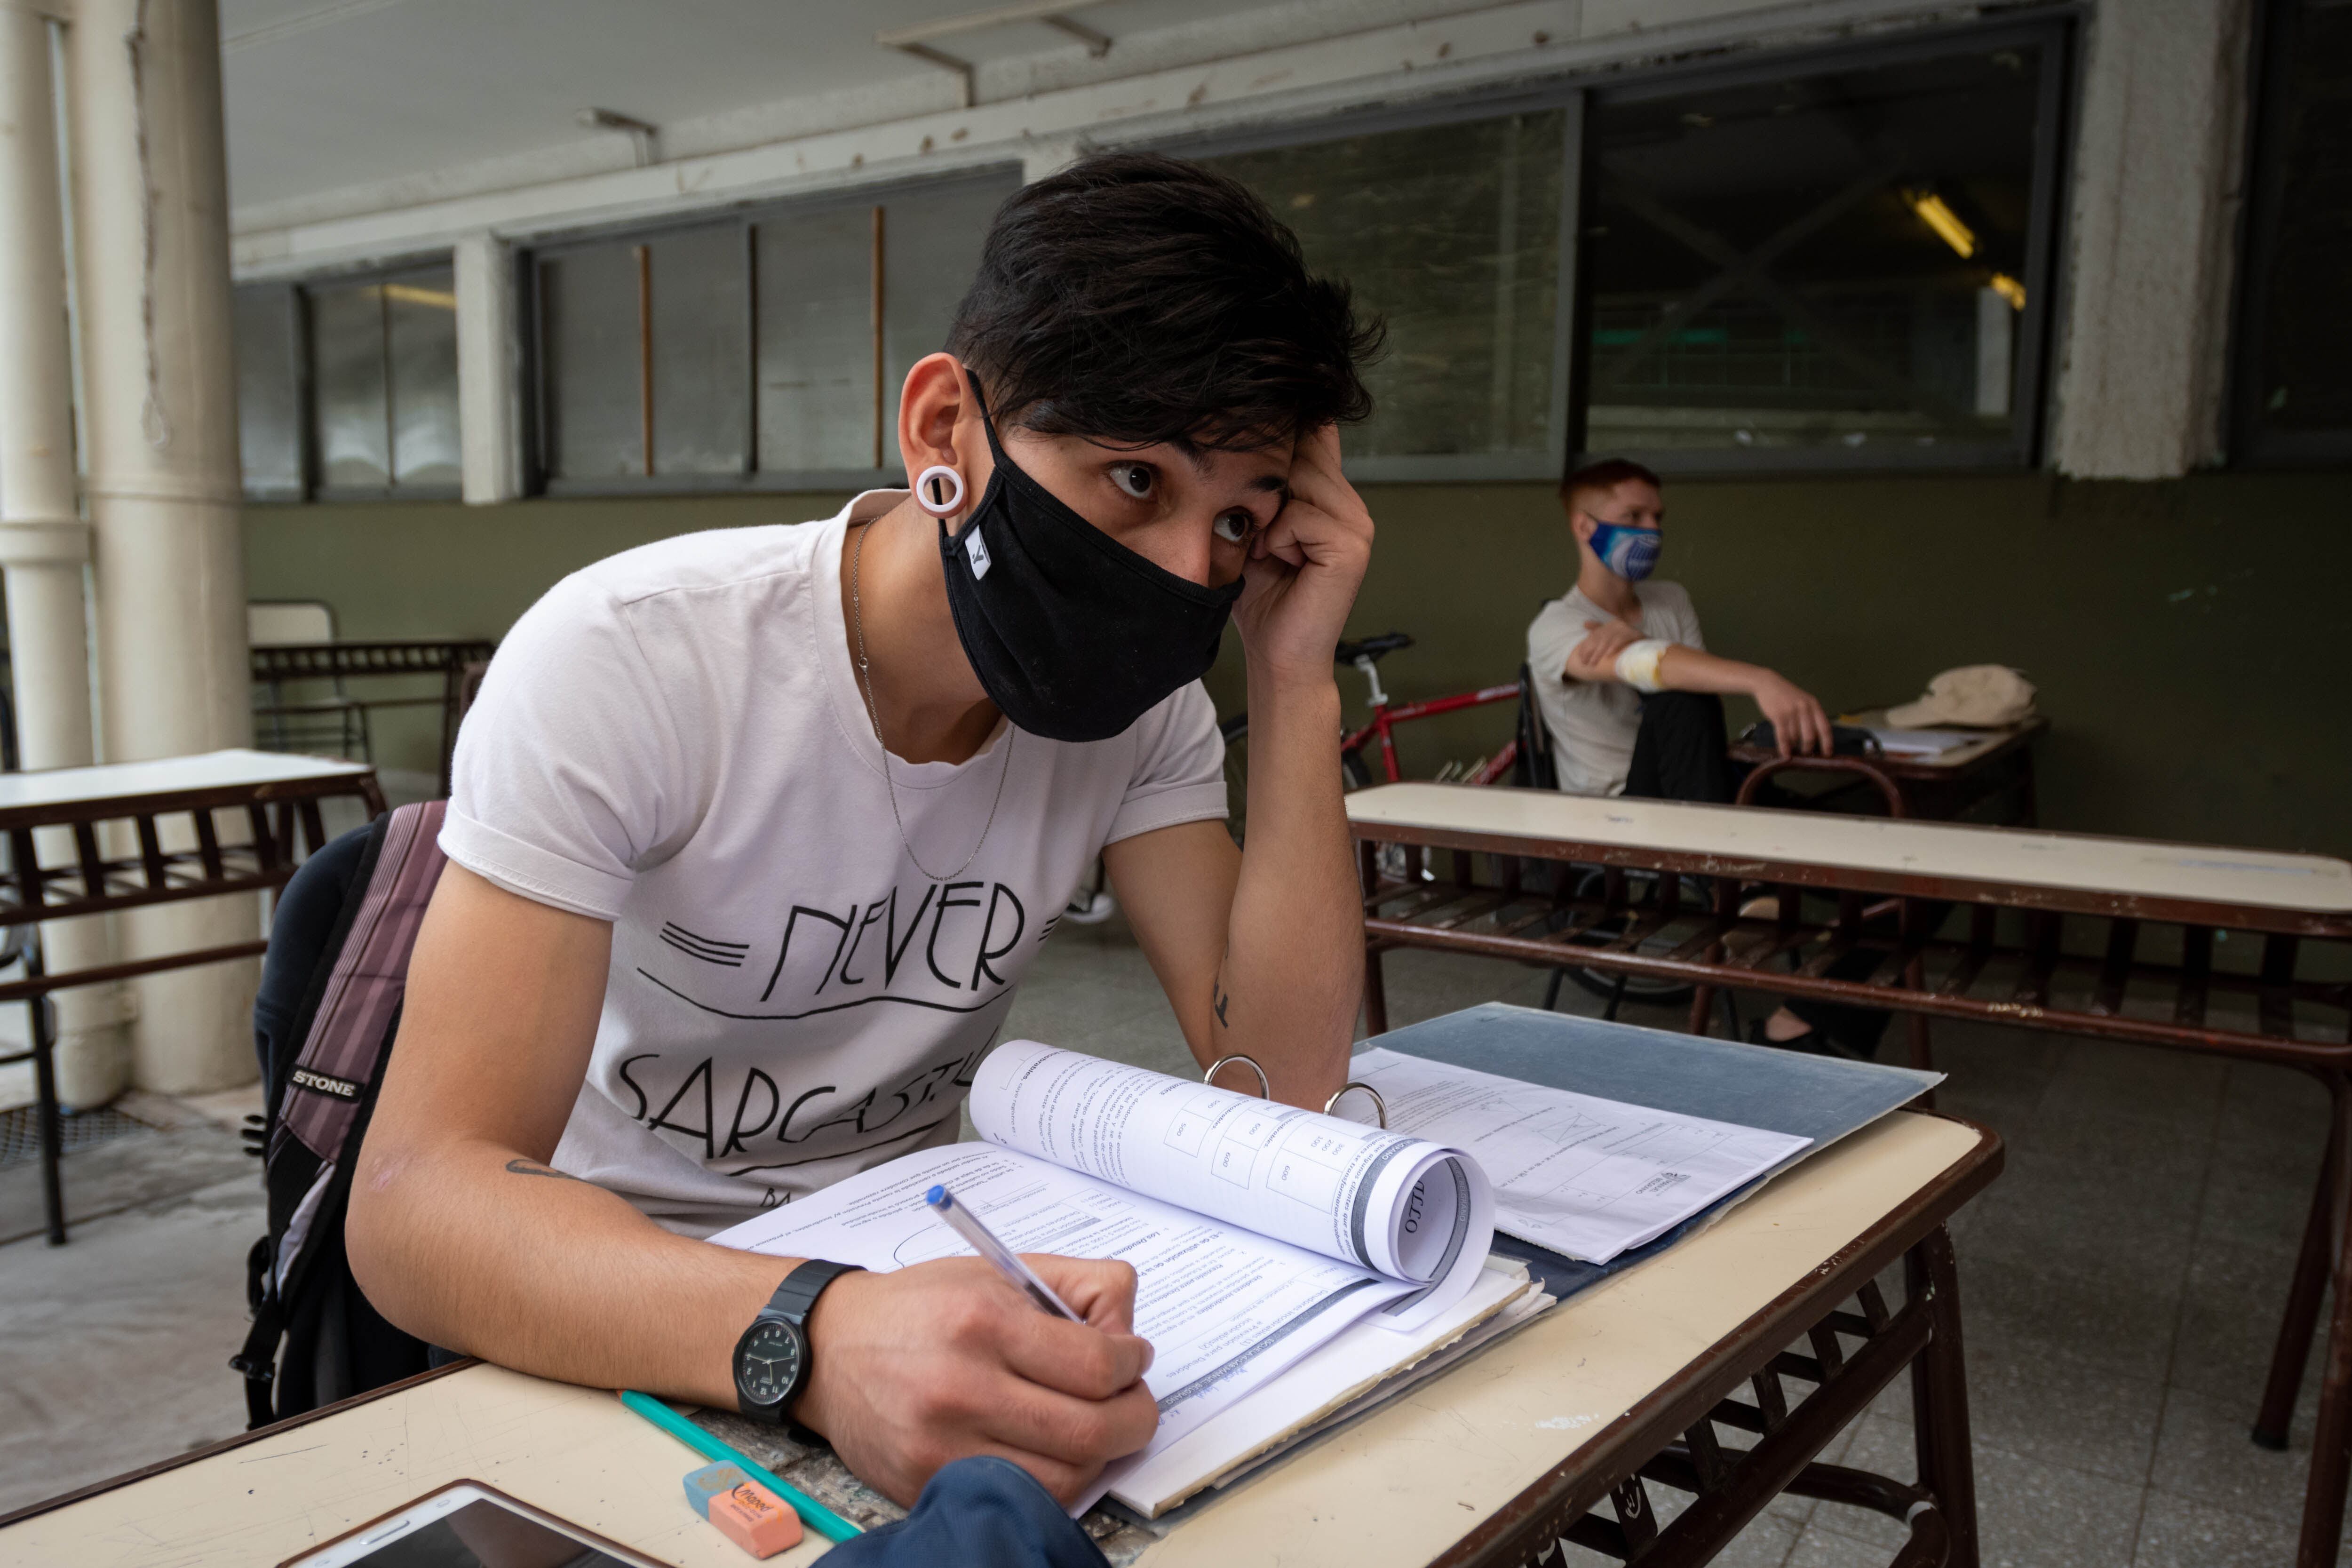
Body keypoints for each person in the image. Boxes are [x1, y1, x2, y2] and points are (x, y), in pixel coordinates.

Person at [345, 153, 1383, 1515]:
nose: (1188, 568)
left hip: (928, 1272)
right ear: (946, 427)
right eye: (1137, 476)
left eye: (1240, 518)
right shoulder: (638, 660)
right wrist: (817, 1331)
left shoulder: (1144, 720)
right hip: (614, 1297)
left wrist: (1294, 674)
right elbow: (421, 1207)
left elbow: (1283, 1091)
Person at [1526, 458, 1875, 1055]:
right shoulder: (1554, 626)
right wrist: (1759, 679)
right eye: (1631, 517)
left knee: (1885, 834)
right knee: (1680, 700)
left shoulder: (1668, 599)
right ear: (1584, 527)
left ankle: (1804, 1017)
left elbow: (1670, 668)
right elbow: (1666, 676)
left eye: (1656, 517)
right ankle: (1732, 894)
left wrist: (1644, 642)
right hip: (1619, 815)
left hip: (1698, 791)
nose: (1650, 530)